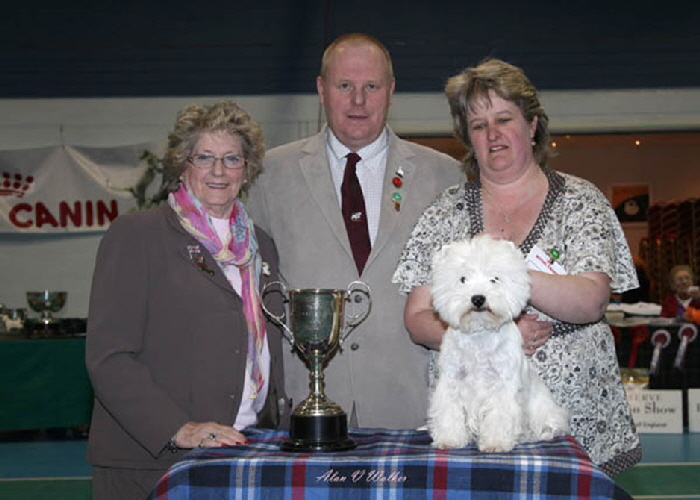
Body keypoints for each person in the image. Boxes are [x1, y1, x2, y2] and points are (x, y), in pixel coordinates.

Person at [392, 58, 641, 476]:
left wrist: (508, 281)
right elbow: (417, 318)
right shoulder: (443, 213)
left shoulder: (582, 202)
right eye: (477, 125)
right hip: (473, 424)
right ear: (467, 138)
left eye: (504, 118)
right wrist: (488, 335)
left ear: (532, 124)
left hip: (574, 416)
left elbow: (592, 300)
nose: (492, 134)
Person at [246, 33, 463, 429]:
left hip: (413, 403)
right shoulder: (268, 175)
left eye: (371, 87)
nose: (358, 100)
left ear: (391, 91)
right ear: (321, 90)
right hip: (305, 404)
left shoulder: (444, 175)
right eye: (344, 86)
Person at [85, 100, 289, 500]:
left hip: (244, 449)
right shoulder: (137, 235)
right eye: (205, 157)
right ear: (182, 164)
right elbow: (109, 358)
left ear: (247, 169)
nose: (218, 171)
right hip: (154, 462)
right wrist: (178, 429)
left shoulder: (261, 244)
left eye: (232, 158)